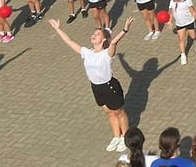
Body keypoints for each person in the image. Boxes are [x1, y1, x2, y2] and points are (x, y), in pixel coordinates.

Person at [48, 16, 134, 153]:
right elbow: (69, 41)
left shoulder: (107, 54)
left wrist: (124, 30)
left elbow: (113, 44)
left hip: (109, 86)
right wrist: (58, 29)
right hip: (96, 87)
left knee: (119, 112)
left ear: (104, 39)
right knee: (109, 113)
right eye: (93, 33)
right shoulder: (86, 53)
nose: (94, 35)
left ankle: (125, 137)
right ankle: (116, 137)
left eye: (97, 34)